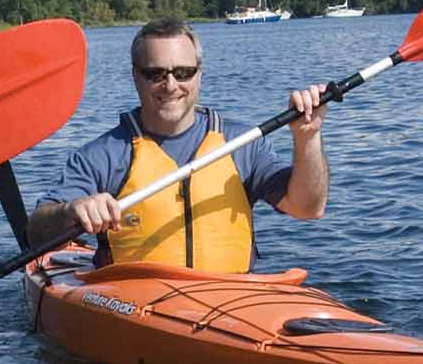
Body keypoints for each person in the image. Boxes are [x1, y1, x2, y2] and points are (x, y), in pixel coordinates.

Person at [25, 17, 328, 270]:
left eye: (183, 72)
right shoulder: (102, 156)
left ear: (200, 75)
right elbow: (36, 234)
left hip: (230, 302)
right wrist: (72, 211)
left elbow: (307, 207)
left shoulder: (243, 145)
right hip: (136, 311)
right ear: (135, 76)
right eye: (155, 73)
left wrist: (307, 138)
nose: (170, 85)